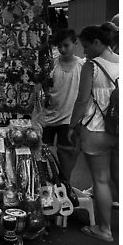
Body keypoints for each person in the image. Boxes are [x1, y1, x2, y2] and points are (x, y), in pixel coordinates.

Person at [67, 24, 119, 242]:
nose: (84, 52)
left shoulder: (92, 66)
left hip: (97, 129)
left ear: (97, 43)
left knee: (101, 180)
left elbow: (81, 101)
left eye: (86, 47)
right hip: (120, 127)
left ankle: (105, 229)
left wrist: (72, 125)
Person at [41, 29, 84, 181]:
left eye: (66, 45)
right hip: (47, 118)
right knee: (42, 154)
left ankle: (65, 185)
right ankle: (45, 186)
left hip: (69, 120)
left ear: (75, 43)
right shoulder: (51, 64)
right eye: (59, 46)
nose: (63, 49)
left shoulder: (83, 66)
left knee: (66, 155)